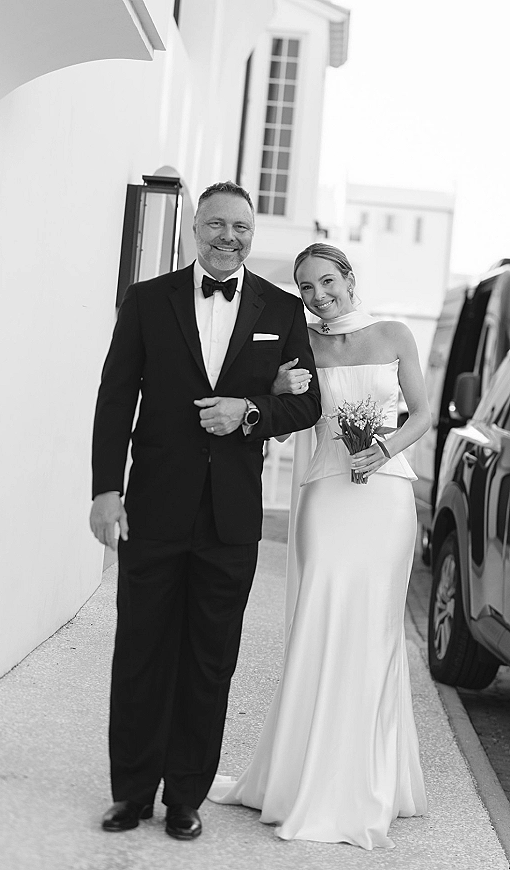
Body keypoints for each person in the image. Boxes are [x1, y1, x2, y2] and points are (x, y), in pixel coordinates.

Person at [89, 181, 321, 841]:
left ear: (252, 235)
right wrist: (106, 490)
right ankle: (131, 794)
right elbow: (115, 398)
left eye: (241, 228)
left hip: (230, 518)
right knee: (141, 652)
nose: (229, 237)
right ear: (196, 228)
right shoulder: (147, 300)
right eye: (218, 224)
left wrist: (250, 412)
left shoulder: (282, 309)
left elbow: (306, 404)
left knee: (210, 661)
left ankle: (186, 797)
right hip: (153, 507)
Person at [208, 243, 431, 849]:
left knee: (374, 629)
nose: (318, 295)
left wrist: (382, 450)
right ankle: (301, 777)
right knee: (318, 621)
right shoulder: (301, 341)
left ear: (349, 278)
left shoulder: (394, 334)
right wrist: (275, 384)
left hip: (386, 496)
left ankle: (367, 781)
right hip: (326, 497)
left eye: (327, 281)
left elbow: (421, 414)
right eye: (306, 287)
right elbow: (286, 419)